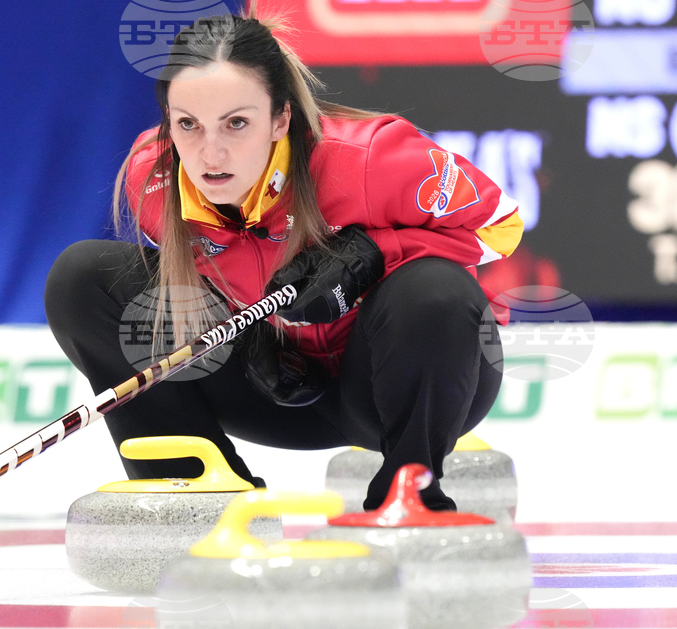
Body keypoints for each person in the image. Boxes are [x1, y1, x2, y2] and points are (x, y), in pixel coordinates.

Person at [45, 11, 523, 512]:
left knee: (435, 291)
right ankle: (187, 492)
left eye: (236, 123)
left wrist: (376, 253)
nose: (211, 153)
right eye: (187, 124)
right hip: (276, 389)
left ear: (281, 118)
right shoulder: (155, 180)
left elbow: (501, 226)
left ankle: (411, 489)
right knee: (83, 278)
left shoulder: (366, 158)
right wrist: (257, 335)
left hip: (392, 385)